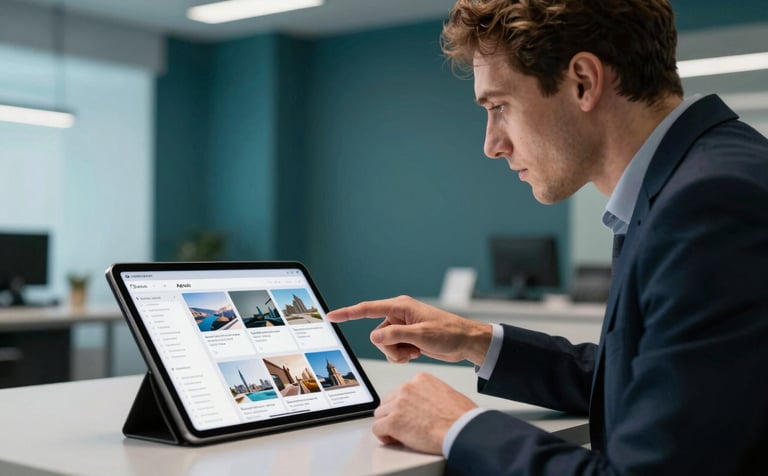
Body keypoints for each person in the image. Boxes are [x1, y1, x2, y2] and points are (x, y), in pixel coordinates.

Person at [326, 0, 768, 474]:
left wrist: (458, 427)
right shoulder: (690, 181)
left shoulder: (708, 205)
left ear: (583, 81)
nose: (492, 144)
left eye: (499, 106)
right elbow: (645, 382)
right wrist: (474, 339)